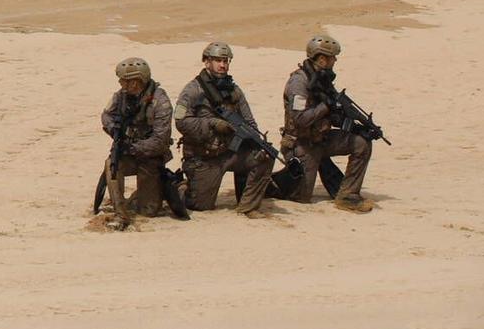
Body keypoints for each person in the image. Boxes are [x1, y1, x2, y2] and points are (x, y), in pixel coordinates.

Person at [175, 42, 269, 215]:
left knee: (264, 155)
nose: (222, 65)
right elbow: (181, 121)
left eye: (225, 61)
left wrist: (254, 138)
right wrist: (212, 124)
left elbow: (250, 121)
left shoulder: (234, 90)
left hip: (230, 153)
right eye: (218, 60)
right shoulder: (193, 90)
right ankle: (180, 187)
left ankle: (247, 206)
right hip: (204, 157)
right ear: (207, 62)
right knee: (200, 206)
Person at [281, 34, 374, 210]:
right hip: (301, 144)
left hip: (321, 139)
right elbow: (300, 119)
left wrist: (356, 127)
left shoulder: (323, 80)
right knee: (300, 198)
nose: (335, 60)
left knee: (362, 143)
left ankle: (348, 195)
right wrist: (326, 106)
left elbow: (334, 115)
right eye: (332, 57)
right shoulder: (299, 82)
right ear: (322, 59)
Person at [101, 56, 174, 220]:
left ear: (135, 82)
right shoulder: (121, 96)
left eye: (124, 80)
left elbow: (160, 140)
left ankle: (150, 192)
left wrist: (134, 147)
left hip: (151, 157)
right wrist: (115, 132)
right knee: (112, 165)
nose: (121, 83)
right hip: (129, 154)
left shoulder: (160, 102)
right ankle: (120, 211)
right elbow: (106, 115)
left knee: (148, 211)